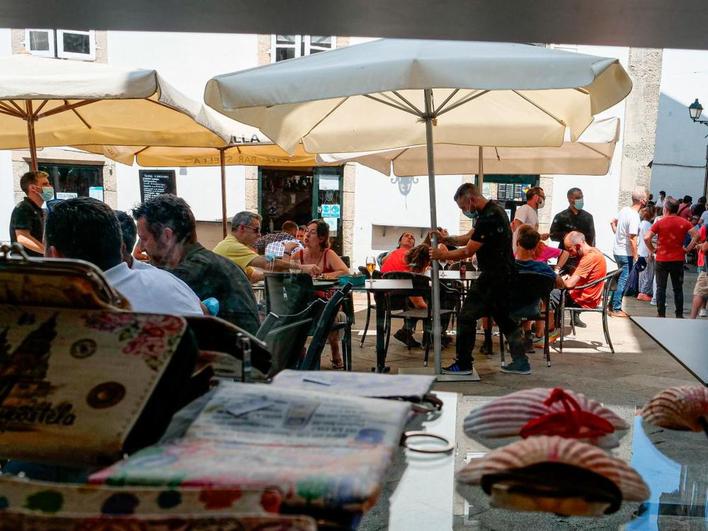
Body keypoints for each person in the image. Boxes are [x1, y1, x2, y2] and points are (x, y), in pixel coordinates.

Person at [44, 198, 203, 316]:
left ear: (54, 255)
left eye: (145, 238)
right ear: (121, 249)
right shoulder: (170, 284)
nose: (142, 247)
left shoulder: (59, 313)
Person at [432, 183, 528, 375]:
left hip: (494, 275)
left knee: (466, 316)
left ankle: (464, 364)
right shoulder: (492, 212)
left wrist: (440, 255)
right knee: (504, 319)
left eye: (463, 207)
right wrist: (446, 239)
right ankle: (521, 362)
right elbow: (468, 239)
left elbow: (467, 250)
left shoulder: (489, 218)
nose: (464, 211)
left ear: (471, 199)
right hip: (504, 274)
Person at [133, 195, 261, 334]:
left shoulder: (191, 271)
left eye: (144, 239)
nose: (141, 248)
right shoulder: (206, 263)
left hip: (231, 353)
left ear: (167, 236)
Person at [292, 219, 349, 369]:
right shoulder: (299, 255)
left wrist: (324, 276)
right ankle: (300, 351)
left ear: (322, 238)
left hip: (327, 299)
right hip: (305, 300)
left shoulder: (328, 254)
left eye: (312, 232)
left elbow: (344, 272)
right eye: (306, 231)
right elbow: (287, 272)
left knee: (324, 312)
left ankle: (331, 351)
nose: (306, 235)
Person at [213, 212, 318, 282]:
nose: (259, 234)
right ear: (242, 228)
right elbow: (268, 263)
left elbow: (253, 276)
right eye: (256, 230)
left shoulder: (232, 244)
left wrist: (278, 273)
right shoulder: (232, 246)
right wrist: (302, 268)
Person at [644, 197, 699, 318]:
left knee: (660, 288)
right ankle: (679, 314)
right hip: (678, 259)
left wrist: (653, 249)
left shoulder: (660, 222)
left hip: (662, 259)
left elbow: (646, 237)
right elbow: (696, 235)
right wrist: (687, 249)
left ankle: (661, 313)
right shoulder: (684, 222)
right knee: (678, 288)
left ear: (666, 209)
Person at [515, 226, 567, 346]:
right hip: (535, 310)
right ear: (536, 247)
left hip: (510, 309)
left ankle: (524, 334)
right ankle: (535, 335)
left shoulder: (508, 267)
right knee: (537, 298)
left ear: (518, 243)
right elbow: (560, 284)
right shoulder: (543, 269)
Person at [550, 231, 608, 318]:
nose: (570, 254)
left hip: (583, 299)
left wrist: (559, 278)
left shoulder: (589, 257)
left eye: (570, 250)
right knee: (553, 292)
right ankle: (554, 324)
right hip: (586, 295)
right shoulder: (594, 252)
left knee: (547, 295)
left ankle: (548, 327)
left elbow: (569, 284)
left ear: (578, 246)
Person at [609, 187, 647, 317]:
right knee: (623, 280)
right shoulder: (634, 216)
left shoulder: (624, 210)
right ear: (642, 200)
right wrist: (636, 255)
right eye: (646, 197)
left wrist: (616, 232)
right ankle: (616, 308)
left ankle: (611, 306)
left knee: (619, 278)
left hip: (618, 250)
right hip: (626, 253)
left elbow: (613, 221)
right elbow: (632, 238)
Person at [9, 170, 53, 257]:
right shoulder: (23, 208)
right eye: (45, 184)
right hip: (25, 266)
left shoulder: (38, 210)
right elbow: (22, 238)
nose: (50, 187)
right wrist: (47, 252)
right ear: (33, 188)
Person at [636, 205, 656, 302]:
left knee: (642, 274)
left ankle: (641, 291)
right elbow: (649, 240)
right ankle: (643, 293)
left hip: (640, 251)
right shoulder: (649, 226)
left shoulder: (641, 224)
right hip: (646, 252)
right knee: (648, 274)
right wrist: (651, 251)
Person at [690, 224, 707, 318]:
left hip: (705, 266)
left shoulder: (705, 227)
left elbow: (705, 247)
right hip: (703, 263)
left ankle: (692, 320)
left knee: (700, 292)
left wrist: (699, 245)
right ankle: (703, 309)